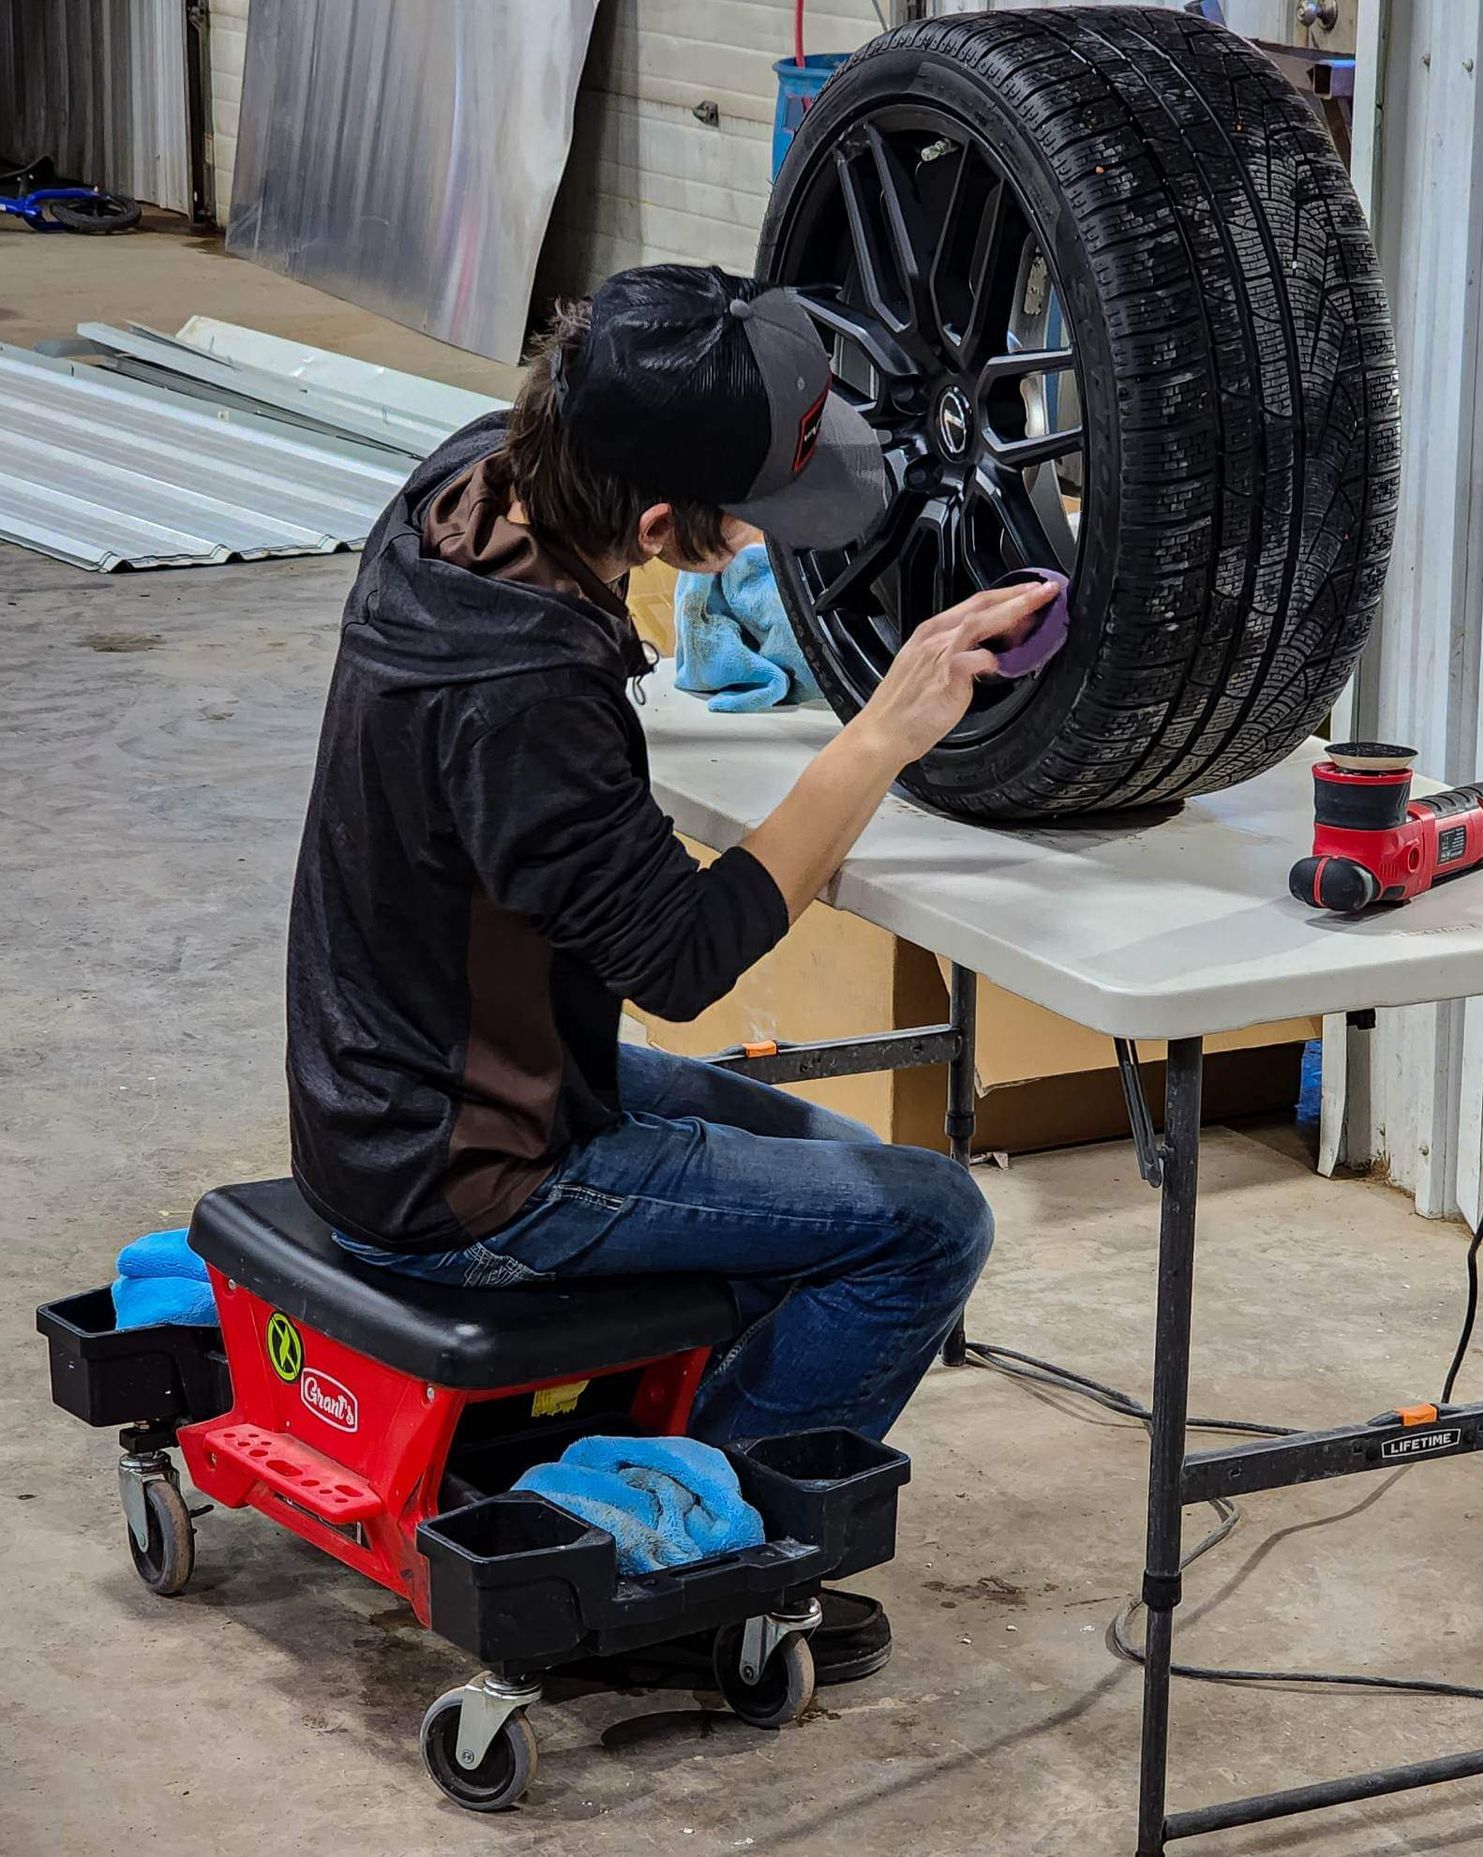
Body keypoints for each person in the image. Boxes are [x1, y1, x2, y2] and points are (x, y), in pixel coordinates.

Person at [284, 265, 1051, 1682]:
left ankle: (675, 1449)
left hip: (402, 1079)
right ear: (654, 524)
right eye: (749, 518)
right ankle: (676, 1552)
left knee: (823, 1152)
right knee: (926, 1222)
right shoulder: (517, 694)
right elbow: (686, 957)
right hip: (469, 1171)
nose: (765, 537)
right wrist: (879, 735)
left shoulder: (475, 479)